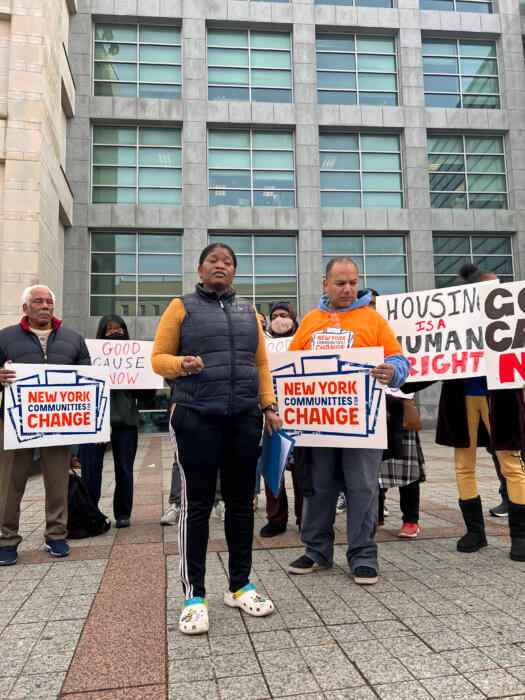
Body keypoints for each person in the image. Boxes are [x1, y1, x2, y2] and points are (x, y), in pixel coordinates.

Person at [152, 242, 282, 634]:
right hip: (195, 417)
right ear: (200, 268)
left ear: (235, 271)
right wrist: (180, 364)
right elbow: (158, 357)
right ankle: (194, 596)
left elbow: (260, 362)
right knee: (197, 505)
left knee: (242, 503)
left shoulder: (249, 312)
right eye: (213, 261)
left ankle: (240, 586)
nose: (220, 266)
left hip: (244, 417)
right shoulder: (181, 308)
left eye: (227, 262)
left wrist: (269, 404)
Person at [286, 257, 410, 585]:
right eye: (340, 283)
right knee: (318, 486)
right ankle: (317, 552)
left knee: (363, 487)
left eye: (353, 282)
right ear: (325, 284)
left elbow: (399, 361)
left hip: (362, 423)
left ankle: (363, 554)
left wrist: (393, 371)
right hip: (319, 423)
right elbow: (289, 367)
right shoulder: (310, 322)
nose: (348, 288)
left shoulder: (373, 319)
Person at [406, 263, 525, 561]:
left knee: (511, 463)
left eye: (499, 285)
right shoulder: (452, 323)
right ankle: (475, 531)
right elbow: (433, 358)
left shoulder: (511, 319)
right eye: (489, 286)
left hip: (503, 398)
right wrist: (404, 380)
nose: (497, 291)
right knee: (463, 464)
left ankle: (521, 535)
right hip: (462, 400)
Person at [0, 285, 91, 565]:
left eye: (49, 302)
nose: (45, 306)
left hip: (58, 422)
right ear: (25, 308)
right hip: (15, 422)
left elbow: (87, 378)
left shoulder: (73, 339)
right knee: (9, 483)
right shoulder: (5, 337)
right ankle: (6, 540)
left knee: (57, 480)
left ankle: (56, 536)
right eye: (38, 301)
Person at [79, 315, 154, 529]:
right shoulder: (89, 356)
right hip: (93, 422)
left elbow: (147, 395)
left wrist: (144, 377)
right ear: (101, 332)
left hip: (126, 422)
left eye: (120, 329)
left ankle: (123, 513)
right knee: (91, 469)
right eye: (110, 330)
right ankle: (91, 512)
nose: (116, 333)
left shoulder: (135, 356)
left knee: (125, 468)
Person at [259, 301, 303, 537]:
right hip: (271, 414)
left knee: (301, 471)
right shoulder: (262, 345)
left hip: (302, 414)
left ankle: (304, 518)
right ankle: (276, 519)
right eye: (274, 315)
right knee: (273, 468)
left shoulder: (303, 341)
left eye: (284, 315)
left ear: (293, 318)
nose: (279, 319)